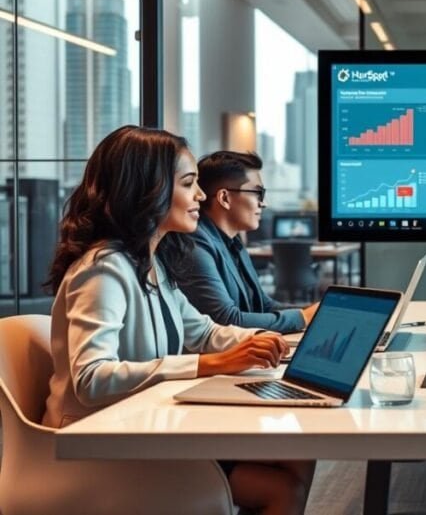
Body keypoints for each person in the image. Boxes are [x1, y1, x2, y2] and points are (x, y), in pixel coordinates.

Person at [43, 126, 315, 515]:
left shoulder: (150, 262)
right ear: (147, 191)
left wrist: (273, 343)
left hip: (144, 426)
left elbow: (204, 330)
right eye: (189, 184)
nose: (201, 196)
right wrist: (209, 364)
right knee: (280, 489)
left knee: (297, 455)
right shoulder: (104, 270)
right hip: (98, 445)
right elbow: (91, 378)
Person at [178, 151, 317, 333]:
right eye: (258, 193)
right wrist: (303, 317)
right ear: (225, 198)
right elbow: (225, 319)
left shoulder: (233, 240)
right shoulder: (195, 242)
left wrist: (311, 313)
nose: (263, 203)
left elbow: (262, 304)